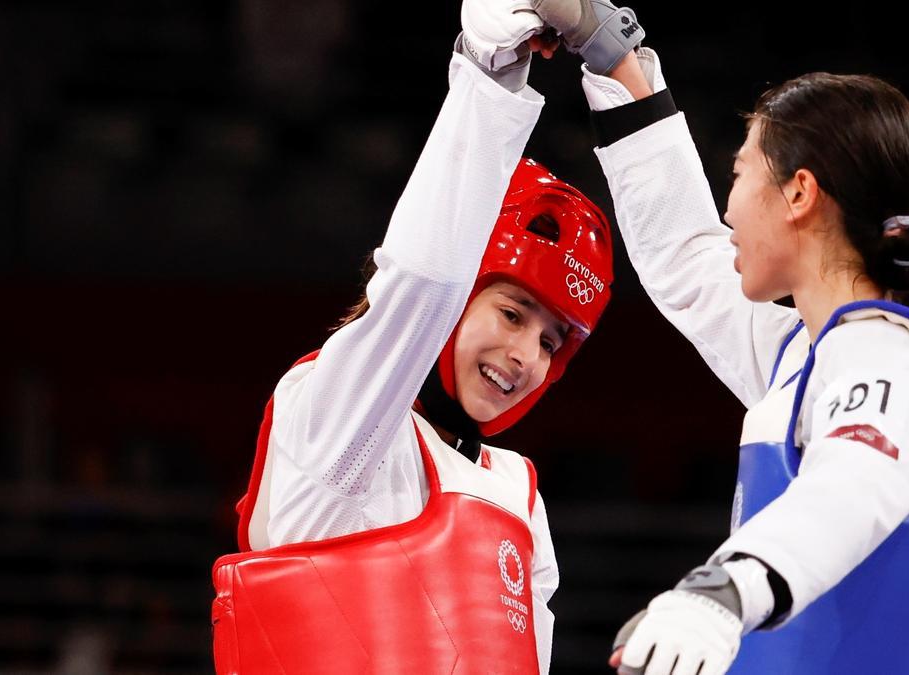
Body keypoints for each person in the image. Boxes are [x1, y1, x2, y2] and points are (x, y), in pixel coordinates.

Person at [529, 2, 909, 673]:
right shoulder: (808, 353)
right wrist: (610, 55)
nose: (729, 205)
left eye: (738, 174)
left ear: (799, 193)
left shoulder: (887, 362)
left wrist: (721, 591)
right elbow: (685, 260)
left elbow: (854, 484)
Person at [207, 3, 630, 673]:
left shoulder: (517, 493)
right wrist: (489, 83)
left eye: (552, 342)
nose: (526, 355)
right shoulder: (343, 422)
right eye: (513, 314)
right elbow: (421, 285)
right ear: (462, 296)